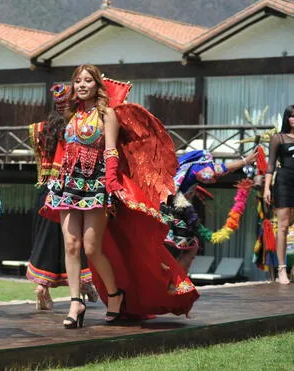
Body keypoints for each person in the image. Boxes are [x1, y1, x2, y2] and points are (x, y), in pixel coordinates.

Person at [40, 64, 199, 328]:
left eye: (87, 80)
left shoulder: (107, 114)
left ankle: (115, 296)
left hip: (96, 185)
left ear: (96, 86)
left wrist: (111, 182)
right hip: (68, 185)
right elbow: (61, 147)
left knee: (91, 248)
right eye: (77, 81)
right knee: (71, 245)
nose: (81, 85)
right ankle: (75, 302)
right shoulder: (69, 114)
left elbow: (111, 151)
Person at [27, 113, 96, 310]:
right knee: (75, 241)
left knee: (44, 241)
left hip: (43, 191)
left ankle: (42, 287)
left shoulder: (37, 129)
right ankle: (85, 284)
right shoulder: (78, 128)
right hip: (69, 190)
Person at [163, 149, 257, 273]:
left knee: (187, 247)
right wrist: (245, 161)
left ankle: (172, 281)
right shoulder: (196, 169)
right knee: (189, 247)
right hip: (166, 214)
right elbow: (217, 171)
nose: (211, 179)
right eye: (209, 165)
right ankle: (175, 283)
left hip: (167, 212)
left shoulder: (184, 174)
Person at [264, 105, 294, 284]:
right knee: (282, 226)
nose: (293, 119)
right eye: (290, 116)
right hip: (283, 182)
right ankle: (281, 269)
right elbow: (271, 165)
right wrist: (267, 188)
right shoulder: (278, 138)